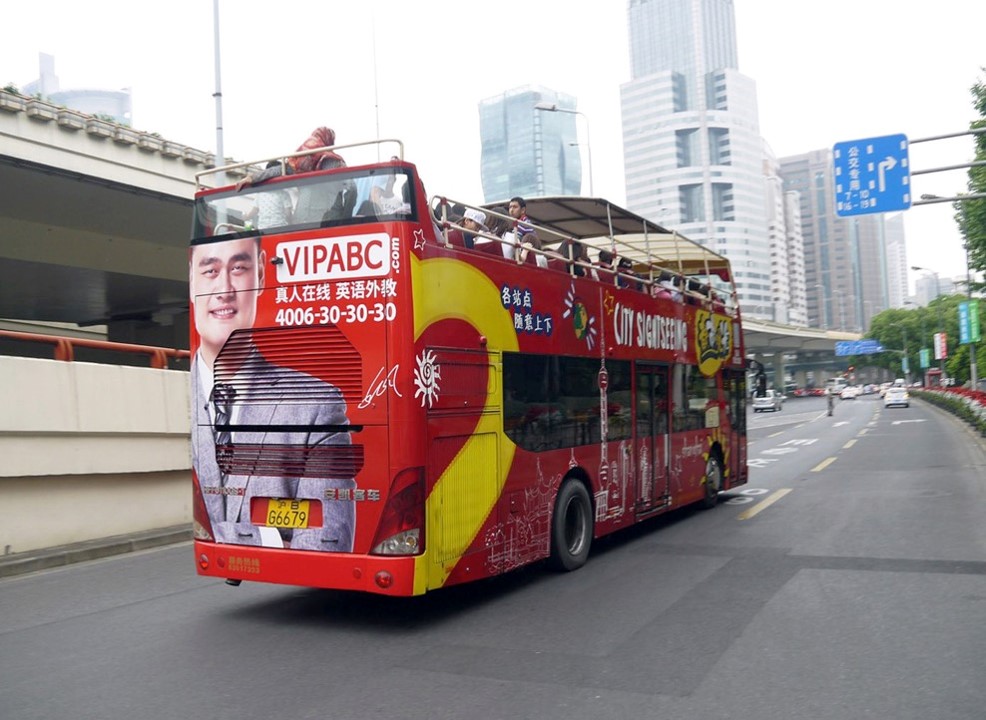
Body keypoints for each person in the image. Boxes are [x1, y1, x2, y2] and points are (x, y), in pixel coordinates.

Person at [189, 236, 356, 552]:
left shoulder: (314, 405)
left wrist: (215, 537)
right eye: (210, 271)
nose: (224, 290)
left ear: (261, 276)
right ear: (190, 282)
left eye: (238, 268)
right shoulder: (181, 396)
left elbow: (324, 542)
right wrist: (272, 536)